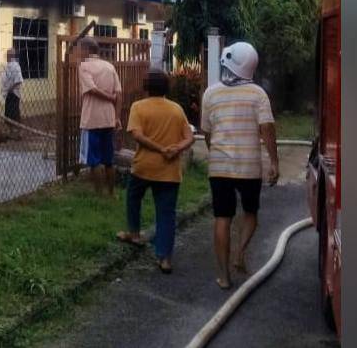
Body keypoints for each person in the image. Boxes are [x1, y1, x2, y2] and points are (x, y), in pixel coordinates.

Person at [200, 41, 279, 290]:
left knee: (222, 218)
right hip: (249, 167)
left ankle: (224, 277)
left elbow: (207, 133)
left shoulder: (210, 93)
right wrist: (274, 162)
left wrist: (216, 153)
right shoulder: (258, 94)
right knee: (251, 213)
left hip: (219, 167)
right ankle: (240, 252)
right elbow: (267, 129)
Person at [117, 70, 195, 273]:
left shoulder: (138, 107)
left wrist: (159, 149)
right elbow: (189, 137)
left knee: (133, 198)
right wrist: (176, 149)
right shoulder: (176, 109)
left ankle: (134, 233)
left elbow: (137, 135)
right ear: (167, 87)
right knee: (166, 213)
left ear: (146, 87)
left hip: (143, 167)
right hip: (170, 171)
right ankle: (165, 258)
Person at [77, 37, 122, 195]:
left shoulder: (84, 67)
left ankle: (99, 194)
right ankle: (111, 193)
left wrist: (109, 97)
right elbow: (119, 93)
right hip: (108, 119)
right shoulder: (109, 67)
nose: (78, 53)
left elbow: (92, 89)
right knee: (109, 160)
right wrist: (117, 117)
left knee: (94, 161)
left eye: (80, 49)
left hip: (91, 120)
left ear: (87, 50)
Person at [1, 48, 24, 124]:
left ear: (10, 56)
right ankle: (11, 129)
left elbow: (19, 80)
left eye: (8, 55)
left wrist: (11, 89)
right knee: (8, 115)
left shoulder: (16, 66)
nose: (6, 57)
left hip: (13, 94)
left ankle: (15, 129)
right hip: (9, 93)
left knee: (13, 115)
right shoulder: (9, 65)